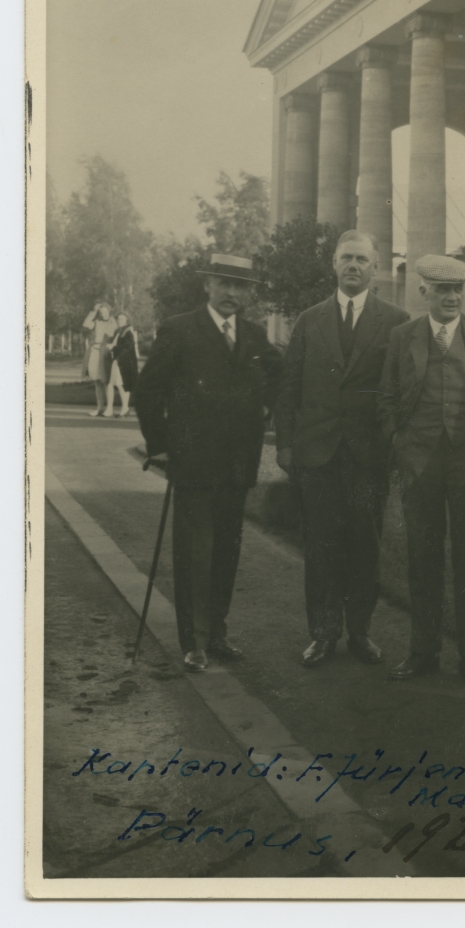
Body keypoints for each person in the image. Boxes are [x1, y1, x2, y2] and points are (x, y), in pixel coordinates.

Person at [135, 254, 282, 672]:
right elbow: (148, 392)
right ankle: (194, 643)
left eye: (241, 286)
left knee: (226, 551)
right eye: (224, 284)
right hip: (193, 462)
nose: (232, 293)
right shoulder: (179, 329)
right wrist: (159, 445)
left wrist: (266, 406)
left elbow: (280, 373)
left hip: (237, 465)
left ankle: (217, 633)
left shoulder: (253, 336)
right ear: (207, 286)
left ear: (249, 293)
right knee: (195, 553)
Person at [275, 230, 409, 669]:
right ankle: (322, 633)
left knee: (365, 546)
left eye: (362, 260)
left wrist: (394, 448)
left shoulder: (396, 321)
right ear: (333, 264)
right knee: (321, 546)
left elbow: (402, 392)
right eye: (346, 258)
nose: (354, 266)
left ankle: (360, 632)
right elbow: (289, 387)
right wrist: (286, 446)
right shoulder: (309, 320)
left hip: (368, 456)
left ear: (376, 268)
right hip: (318, 454)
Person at [378, 255, 465, 687]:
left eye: (458, 290)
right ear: (424, 293)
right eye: (442, 289)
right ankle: (423, 651)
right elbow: (387, 396)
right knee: (423, 557)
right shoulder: (403, 336)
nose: (452, 297)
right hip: (419, 462)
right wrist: (399, 442)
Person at [82, 301, 117, 417]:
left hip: (106, 352)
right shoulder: (97, 322)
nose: (104, 314)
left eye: (105, 311)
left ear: (109, 311)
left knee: (106, 381)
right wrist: (94, 311)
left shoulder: (113, 322)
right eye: (101, 312)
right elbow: (86, 325)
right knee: (97, 381)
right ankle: (100, 408)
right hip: (94, 351)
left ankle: (110, 408)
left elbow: (114, 336)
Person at [104, 312, 139, 417]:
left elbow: (127, 348)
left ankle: (124, 408)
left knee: (120, 384)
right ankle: (114, 409)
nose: (120, 321)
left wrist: (113, 348)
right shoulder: (119, 331)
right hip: (119, 360)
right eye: (118, 319)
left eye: (122, 319)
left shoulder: (128, 332)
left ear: (127, 321)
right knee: (113, 384)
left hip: (124, 362)